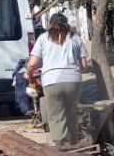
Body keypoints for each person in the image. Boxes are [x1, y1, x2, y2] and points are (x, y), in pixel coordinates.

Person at [26, 13, 89, 147]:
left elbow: (32, 64)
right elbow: (84, 65)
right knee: (72, 114)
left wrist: (28, 73)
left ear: (50, 24)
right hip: (73, 81)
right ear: (67, 25)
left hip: (51, 82)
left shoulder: (43, 38)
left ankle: (61, 147)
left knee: (56, 116)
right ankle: (74, 145)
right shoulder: (76, 38)